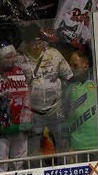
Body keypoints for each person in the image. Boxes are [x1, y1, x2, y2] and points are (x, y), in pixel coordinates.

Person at [24, 28, 73, 159]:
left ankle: (66, 171)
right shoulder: (20, 59)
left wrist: (67, 103)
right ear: (26, 43)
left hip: (56, 108)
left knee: (62, 143)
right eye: (33, 43)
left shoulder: (54, 54)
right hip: (33, 111)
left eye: (39, 42)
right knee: (33, 150)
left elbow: (68, 77)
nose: (36, 46)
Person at [0, 42, 33, 172]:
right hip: (1, 126)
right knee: (0, 162)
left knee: (19, 162)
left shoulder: (20, 71)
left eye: (13, 57)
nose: (12, 60)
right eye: (8, 57)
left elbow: (27, 94)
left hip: (21, 123)